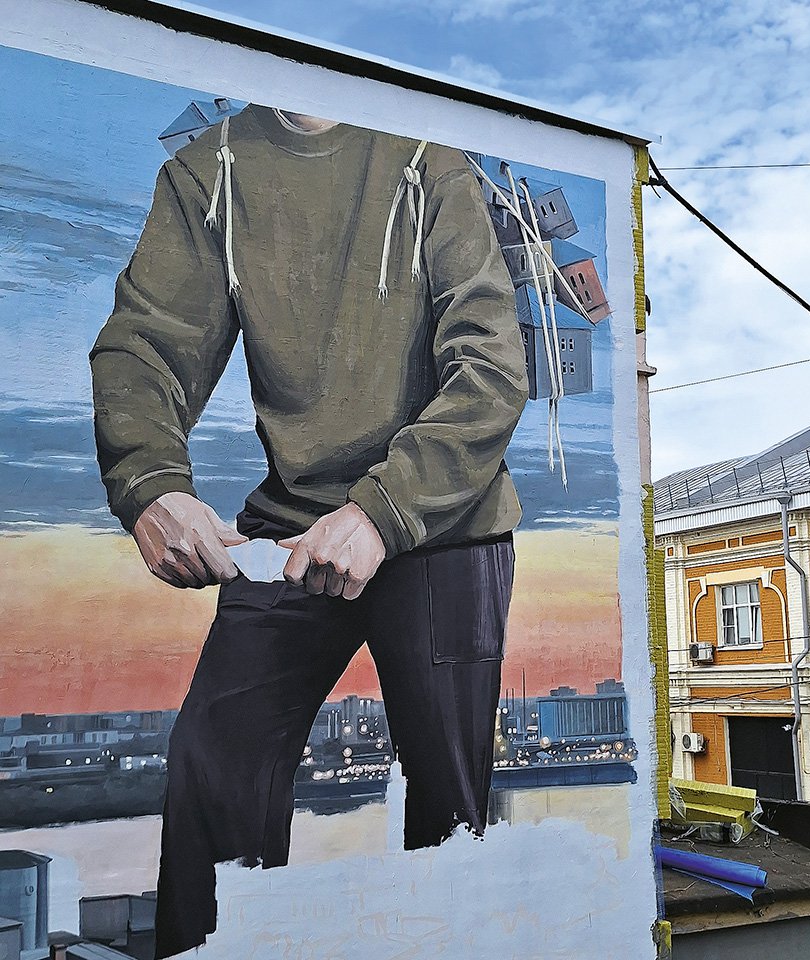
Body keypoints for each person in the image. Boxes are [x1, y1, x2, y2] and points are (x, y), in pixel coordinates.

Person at [90, 104, 528, 959]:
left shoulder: (429, 157)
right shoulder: (209, 169)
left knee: (450, 805)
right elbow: (144, 347)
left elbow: (490, 367)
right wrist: (149, 484)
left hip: (443, 523)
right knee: (211, 767)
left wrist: (383, 510)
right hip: (291, 528)